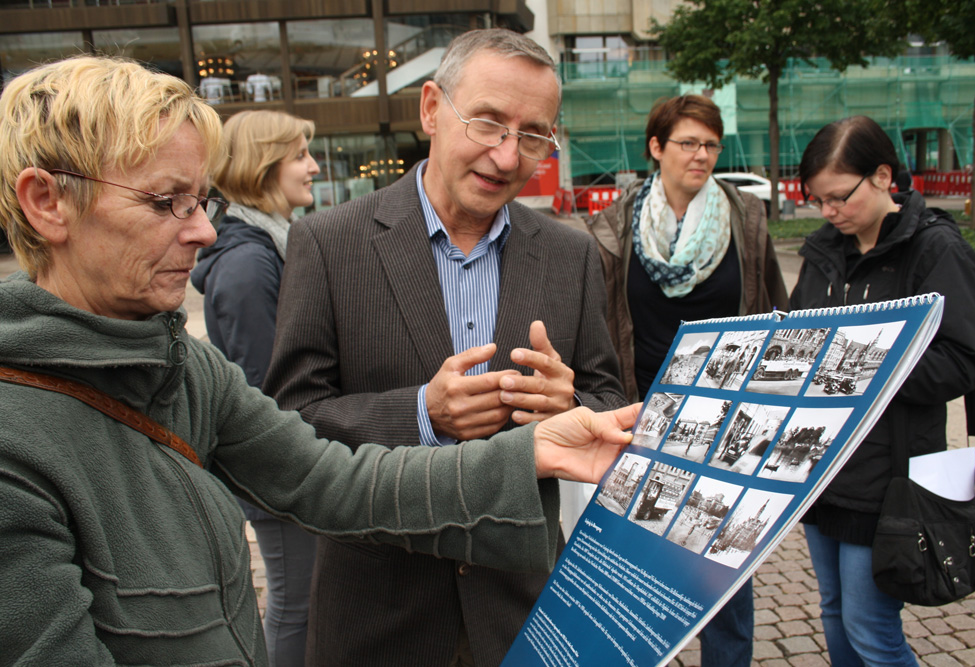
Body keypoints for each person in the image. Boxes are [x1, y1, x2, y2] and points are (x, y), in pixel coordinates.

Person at [0, 55, 641, 665]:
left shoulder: (186, 369)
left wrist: (531, 448)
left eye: (202, 202)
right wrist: (424, 413)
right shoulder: (17, 442)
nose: (202, 232)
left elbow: (336, 481)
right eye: (166, 202)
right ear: (47, 202)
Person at [262, 28, 627, 667]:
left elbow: (606, 397)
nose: (509, 157)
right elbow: (289, 426)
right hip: (378, 613)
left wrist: (565, 402)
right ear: (431, 107)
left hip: (521, 611)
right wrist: (421, 415)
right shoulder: (328, 243)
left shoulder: (571, 255)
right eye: (487, 124)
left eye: (534, 134)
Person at [583, 94, 789, 667]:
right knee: (635, 565)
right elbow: (599, 323)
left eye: (711, 145)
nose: (701, 156)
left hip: (730, 426)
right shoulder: (615, 225)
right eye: (688, 143)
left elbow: (775, 306)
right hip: (641, 419)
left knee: (722, 569)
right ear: (656, 148)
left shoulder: (745, 218)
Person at [790, 115, 975, 666]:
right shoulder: (826, 251)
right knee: (833, 612)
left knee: (871, 627)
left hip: (888, 478)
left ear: (882, 175)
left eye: (838, 197)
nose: (828, 212)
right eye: (818, 200)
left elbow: (962, 362)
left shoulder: (935, 250)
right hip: (820, 466)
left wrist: (863, 370)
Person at [190, 109, 321, 666]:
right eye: (299, 155)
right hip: (276, 471)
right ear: (264, 166)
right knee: (295, 604)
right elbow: (264, 384)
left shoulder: (272, 244)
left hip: (287, 464)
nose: (313, 166)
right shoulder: (249, 260)